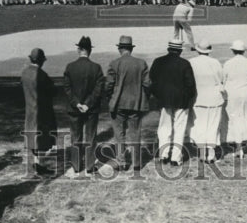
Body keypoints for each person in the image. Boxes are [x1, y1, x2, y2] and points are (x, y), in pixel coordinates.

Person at [105, 35, 151, 173]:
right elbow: (147, 84)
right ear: (130, 49)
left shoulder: (114, 63)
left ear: (120, 49)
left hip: (118, 103)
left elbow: (108, 85)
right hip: (136, 103)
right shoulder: (141, 63)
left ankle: (122, 161)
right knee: (135, 133)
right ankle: (137, 164)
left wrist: (110, 98)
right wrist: (143, 97)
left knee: (119, 135)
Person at [149, 39, 197, 166]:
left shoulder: (158, 61)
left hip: (164, 100)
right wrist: (188, 97)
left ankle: (163, 155)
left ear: (168, 49)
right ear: (180, 50)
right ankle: (176, 157)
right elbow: (191, 85)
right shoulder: (184, 64)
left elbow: (152, 81)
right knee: (179, 129)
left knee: (164, 128)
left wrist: (158, 95)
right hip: (181, 101)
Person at [62, 36, 104, 177]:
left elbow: (67, 89)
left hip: (74, 108)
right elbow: (98, 90)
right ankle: (90, 166)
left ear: (79, 49)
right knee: (91, 136)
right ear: (90, 50)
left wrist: (77, 103)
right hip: (91, 109)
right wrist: (87, 104)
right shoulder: (96, 68)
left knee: (75, 137)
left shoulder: (70, 67)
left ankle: (76, 166)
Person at [21, 48, 57, 174]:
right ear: (41, 61)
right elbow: (52, 91)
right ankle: (38, 164)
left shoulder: (24, 73)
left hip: (29, 109)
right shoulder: (42, 75)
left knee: (32, 136)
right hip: (41, 111)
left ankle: (36, 162)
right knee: (41, 138)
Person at [189, 42, 225, 164]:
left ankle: (202, 153)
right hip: (214, 98)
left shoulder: (192, 62)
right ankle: (211, 154)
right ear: (209, 51)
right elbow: (221, 79)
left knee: (199, 125)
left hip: (198, 98)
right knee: (213, 126)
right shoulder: (215, 62)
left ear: (198, 50)